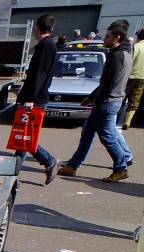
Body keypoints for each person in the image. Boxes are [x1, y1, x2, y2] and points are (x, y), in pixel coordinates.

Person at [57, 20, 134, 182]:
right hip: (107, 100)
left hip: (108, 102)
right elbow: (106, 82)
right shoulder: (123, 53)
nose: (104, 40)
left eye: (107, 37)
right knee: (87, 133)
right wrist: (91, 97)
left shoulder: (117, 56)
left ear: (117, 38)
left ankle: (121, 168)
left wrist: (96, 99)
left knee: (107, 137)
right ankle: (73, 165)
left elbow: (109, 83)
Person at [14, 14, 60, 185]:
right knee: (22, 135)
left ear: (38, 28)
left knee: (26, 136)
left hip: (34, 99)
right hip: (35, 97)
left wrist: (31, 98)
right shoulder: (48, 45)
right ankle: (14, 170)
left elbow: (40, 73)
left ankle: (49, 161)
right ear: (51, 28)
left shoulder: (45, 46)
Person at [121, 29, 144, 130]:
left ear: (139, 37)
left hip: (131, 75)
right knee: (135, 99)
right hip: (142, 77)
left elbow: (128, 61)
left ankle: (115, 117)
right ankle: (128, 121)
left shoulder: (136, 46)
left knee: (122, 96)